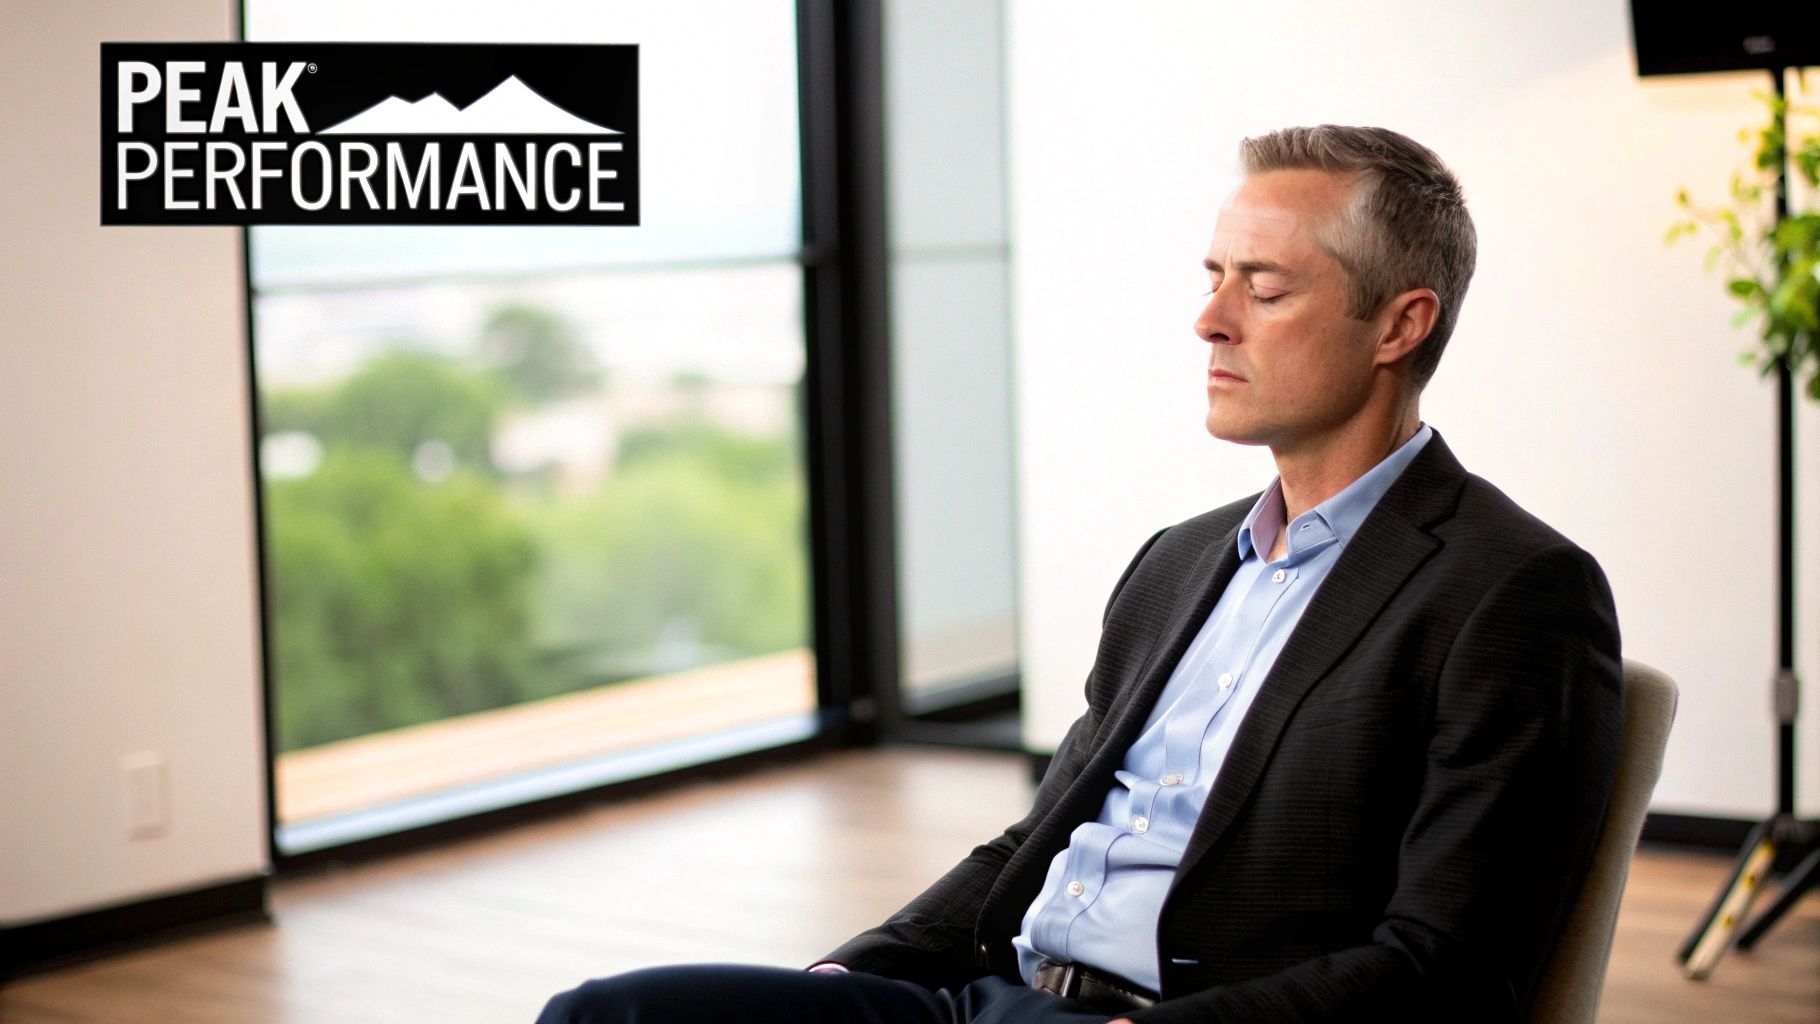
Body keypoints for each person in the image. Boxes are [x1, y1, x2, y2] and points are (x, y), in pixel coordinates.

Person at [535, 124, 1624, 1024]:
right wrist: (857, 972)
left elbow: (1443, 965)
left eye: (1264, 287)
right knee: (604, 1017)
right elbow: (1038, 835)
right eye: (1212, 277)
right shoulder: (1180, 562)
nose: (1209, 319)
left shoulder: (1510, 593)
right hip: (988, 1000)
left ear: (1399, 323)